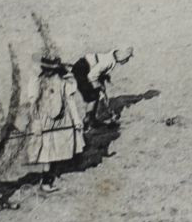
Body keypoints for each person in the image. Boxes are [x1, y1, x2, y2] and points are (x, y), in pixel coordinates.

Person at [29, 57, 85, 193]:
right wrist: (36, 122)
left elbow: (70, 100)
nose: (48, 72)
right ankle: (45, 181)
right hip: (44, 120)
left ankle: (52, 174)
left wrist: (77, 119)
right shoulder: (37, 81)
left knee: (58, 147)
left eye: (51, 69)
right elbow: (33, 104)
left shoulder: (65, 81)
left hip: (61, 119)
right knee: (46, 151)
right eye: (46, 69)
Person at [71, 47, 135, 125]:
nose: (127, 60)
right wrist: (99, 86)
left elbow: (98, 71)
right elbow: (92, 76)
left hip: (87, 69)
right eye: (127, 58)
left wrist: (104, 78)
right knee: (93, 97)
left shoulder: (111, 58)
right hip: (81, 71)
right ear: (122, 57)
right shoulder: (108, 62)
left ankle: (92, 118)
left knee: (96, 95)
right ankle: (87, 120)